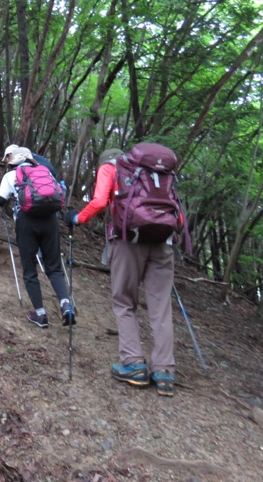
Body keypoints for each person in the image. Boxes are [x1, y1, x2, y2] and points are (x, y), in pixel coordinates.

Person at [64, 148, 176, 397]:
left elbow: (100, 201)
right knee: (161, 306)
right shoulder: (155, 174)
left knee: (124, 301)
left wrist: (77, 219)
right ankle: (165, 371)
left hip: (127, 241)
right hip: (163, 242)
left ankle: (134, 364)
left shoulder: (111, 168)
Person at [0, 147, 76, 328]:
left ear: (13, 160)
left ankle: (40, 314)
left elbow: (0, 200)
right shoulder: (44, 171)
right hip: (50, 220)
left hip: (26, 222)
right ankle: (65, 305)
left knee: (30, 269)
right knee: (54, 268)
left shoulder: (11, 176)